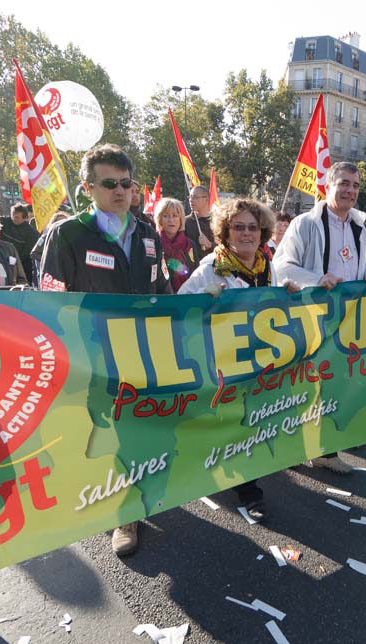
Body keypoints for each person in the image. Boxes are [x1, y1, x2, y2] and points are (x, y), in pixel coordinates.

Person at [38, 143, 170, 556]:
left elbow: (162, 287)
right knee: (104, 436)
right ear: (88, 187)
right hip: (94, 359)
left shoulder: (148, 234)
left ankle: (143, 489)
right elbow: (50, 300)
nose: (119, 191)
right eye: (109, 183)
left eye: (126, 183)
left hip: (144, 353)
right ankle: (121, 515)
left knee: (142, 429)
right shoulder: (68, 234)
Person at [179, 199, 300, 521]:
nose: (247, 234)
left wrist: (285, 294)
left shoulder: (268, 266)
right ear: (225, 232)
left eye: (253, 227)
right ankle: (231, 483)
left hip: (256, 364)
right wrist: (203, 300)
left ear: (263, 233)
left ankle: (249, 489)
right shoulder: (210, 268)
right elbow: (177, 309)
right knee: (225, 425)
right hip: (220, 365)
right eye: (239, 227)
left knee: (251, 424)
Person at [272, 161, 366, 474]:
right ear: (328, 186)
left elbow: (354, 268)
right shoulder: (305, 223)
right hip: (309, 319)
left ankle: (326, 450)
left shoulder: (359, 228)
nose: (350, 190)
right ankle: (291, 447)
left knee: (335, 385)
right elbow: (281, 266)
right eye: (344, 183)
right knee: (303, 385)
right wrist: (316, 278)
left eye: (355, 185)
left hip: (345, 321)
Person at [155, 197, 195, 291]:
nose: (171, 220)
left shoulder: (189, 245)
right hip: (161, 298)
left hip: (186, 296)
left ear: (181, 219)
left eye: (175, 215)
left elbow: (195, 274)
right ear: (160, 219)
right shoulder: (153, 242)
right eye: (166, 216)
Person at [0, 202, 40, 284]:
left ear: (24, 218)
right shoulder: (3, 222)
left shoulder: (31, 233)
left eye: (17, 217)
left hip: (21, 263)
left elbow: (27, 252)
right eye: (12, 215)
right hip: (2, 258)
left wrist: (13, 261)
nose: (13, 218)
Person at [184, 184, 214, 263]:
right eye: (190, 197)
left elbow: (229, 248)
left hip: (214, 268)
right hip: (192, 269)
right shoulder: (185, 222)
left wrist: (210, 245)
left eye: (195, 197)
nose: (191, 200)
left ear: (206, 199)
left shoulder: (217, 221)